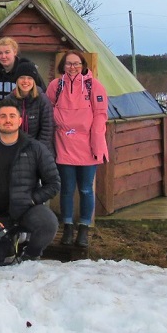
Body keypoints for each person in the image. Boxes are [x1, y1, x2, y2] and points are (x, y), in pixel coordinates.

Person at [0, 97, 60, 263]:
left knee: (48, 223)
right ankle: (10, 238)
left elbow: (54, 183)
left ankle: (30, 254)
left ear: (20, 121)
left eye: (12, 116)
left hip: (26, 210)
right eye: (3, 116)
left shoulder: (35, 148)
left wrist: (32, 199)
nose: (8, 120)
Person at [46, 50, 109, 249]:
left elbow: (100, 114)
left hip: (88, 146)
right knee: (66, 190)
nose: (72, 67)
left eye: (76, 64)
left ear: (82, 65)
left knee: (85, 189)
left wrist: (97, 140)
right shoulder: (55, 86)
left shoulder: (94, 86)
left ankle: (83, 228)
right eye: (68, 64)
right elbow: (47, 109)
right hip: (64, 144)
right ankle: (68, 227)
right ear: (62, 66)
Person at [0, 37, 46, 101]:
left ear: (15, 52)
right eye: (0, 53)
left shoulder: (27, 68)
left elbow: (42, 91)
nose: (3, 56)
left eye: (7, 52)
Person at [10, 61, 54, 153]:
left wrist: (37, 150)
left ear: (34, 81)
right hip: (16, 149)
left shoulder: (43, 100)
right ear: (17, 80)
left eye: (29, 78)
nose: (25, 81)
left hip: (39, 150)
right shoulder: (9, 100)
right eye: (22, 77)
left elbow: (47, 130)